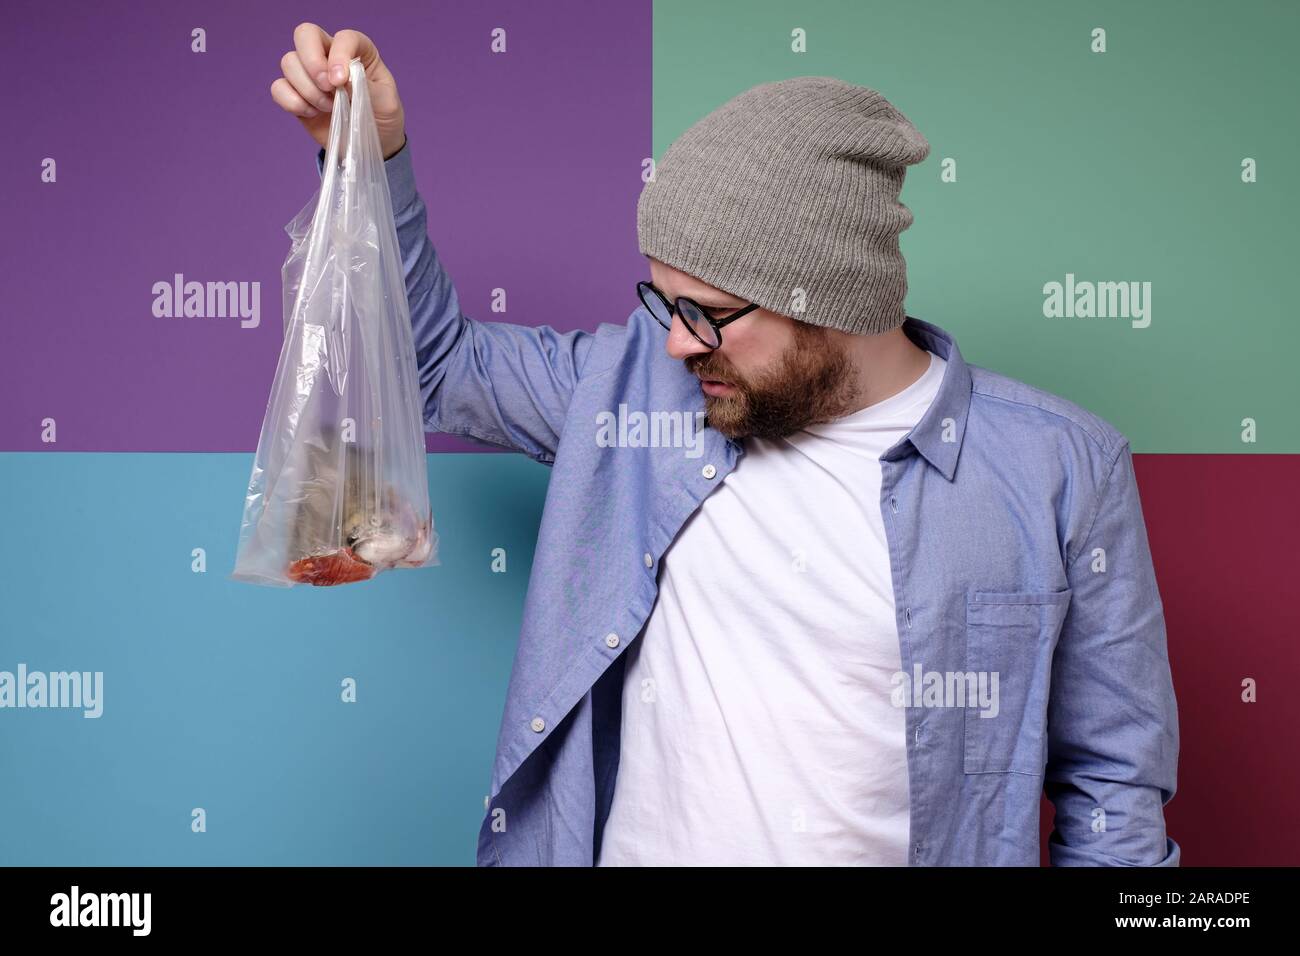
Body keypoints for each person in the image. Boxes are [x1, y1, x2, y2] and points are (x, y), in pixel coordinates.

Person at [271, 24, 1181, 867]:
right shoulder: (630, 396)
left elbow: (1115, 797)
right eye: (665, 303)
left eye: (708, 314)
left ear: (835, 299)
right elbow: (434, 360)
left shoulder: (1061, 470)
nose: (677, 342)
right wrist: (370, 154)